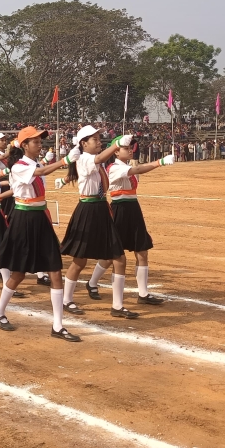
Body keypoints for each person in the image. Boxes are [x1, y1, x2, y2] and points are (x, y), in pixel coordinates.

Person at [0, 127, 80, 342]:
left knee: (55, 270)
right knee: (19, 273)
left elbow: (39, 173)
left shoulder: (36, 165)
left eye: (40, 141)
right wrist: (65, 160)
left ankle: (58, 325)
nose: (40, 145)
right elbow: (40, 174)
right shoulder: (19, 166)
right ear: (24, 145)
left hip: (40, 218)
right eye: (35, 142)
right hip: (24, 219)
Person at [58, 127, 134, 318]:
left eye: (100, 139)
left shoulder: (92, 161)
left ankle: (117, 306)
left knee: (119, 257)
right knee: (79, 260)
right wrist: (117, 144)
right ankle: (66, 300)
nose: (99, 142)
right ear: (84, 144)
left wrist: (65, 179)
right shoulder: (85, 159)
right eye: (95, 139)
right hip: (88, 209)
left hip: (101, 209)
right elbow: (98, 160)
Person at [107, 138, 175, 306]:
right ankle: (94, 283)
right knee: (115, 255)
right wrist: (160, 162)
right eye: (126, 148)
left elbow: (135, 171)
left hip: (133, 208)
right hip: (119, 209)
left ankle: (143, 294)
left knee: (142, 251)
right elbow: (136, 170)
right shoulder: (114, 167)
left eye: (131, 147)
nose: (130, 150)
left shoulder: (127, 166)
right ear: (116, 151)